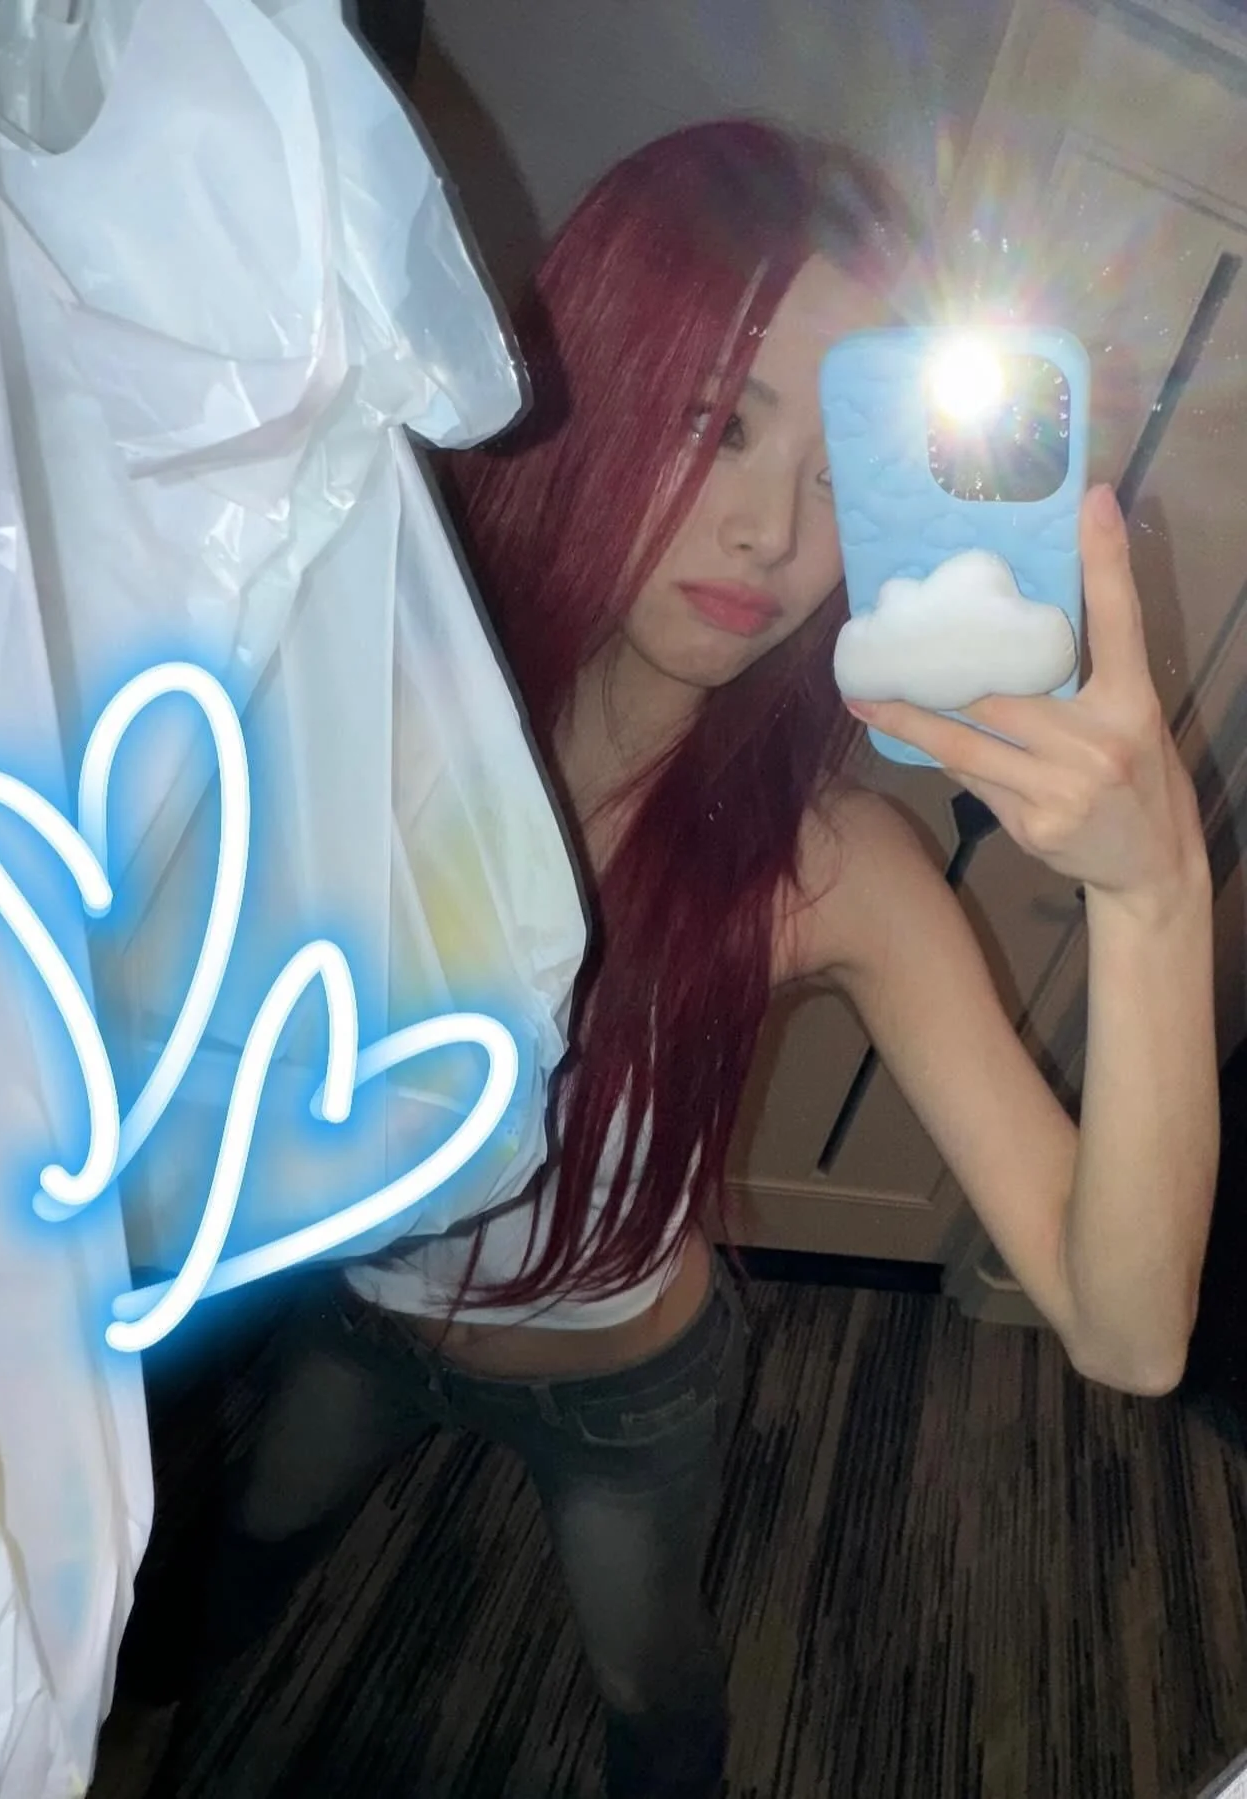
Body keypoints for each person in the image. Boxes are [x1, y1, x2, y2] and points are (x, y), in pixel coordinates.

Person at [146, 121, 1218, 1799]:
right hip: (360, 1316)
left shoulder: (827, 867)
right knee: (248, 1553)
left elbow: (1129, 1333)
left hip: (622, 1382)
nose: (772, 530)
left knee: (651, 1686)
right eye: (721, 423)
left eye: (837, 468)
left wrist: (1154, 898)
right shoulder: (372, 715)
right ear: (598, 384)